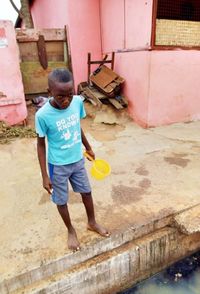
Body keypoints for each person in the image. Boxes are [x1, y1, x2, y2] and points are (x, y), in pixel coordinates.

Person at [35, 68, 110, 251]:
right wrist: (45, 175)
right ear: (49, 92)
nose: (66, 100)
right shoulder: (42, 115)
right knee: (61, 200)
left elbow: (77, 126)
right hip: (58, 166)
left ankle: (91, 222)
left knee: (86, 192)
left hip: (77, 161)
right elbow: (41, 145)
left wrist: (88, 147)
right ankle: (70, 230)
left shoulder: (77, 103)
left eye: (70, 94)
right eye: (61, 96)